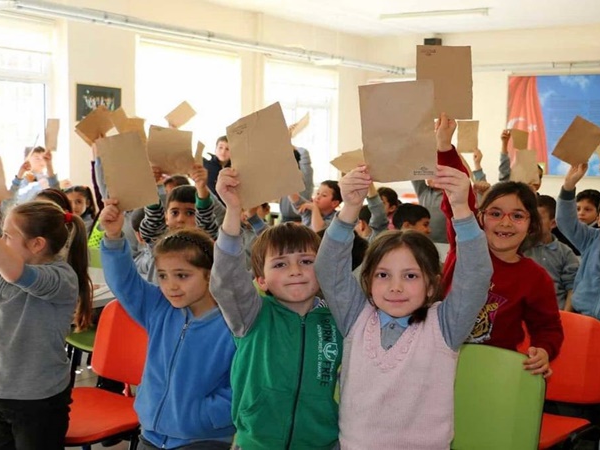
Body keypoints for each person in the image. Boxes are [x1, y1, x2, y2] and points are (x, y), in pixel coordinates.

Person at [315, 161, 492, 449]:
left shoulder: (445, 326)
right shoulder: (355, 317)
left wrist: (462, 208)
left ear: (433, 285)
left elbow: (476, 275)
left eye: (410, 276)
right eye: (383, 275)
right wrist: (349, 208)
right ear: (368, 280)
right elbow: (329, 269)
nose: (395, 287)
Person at [209, 168, 343, 450]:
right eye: (280, 264)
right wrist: (233, 210)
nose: (295, 270)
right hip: (256, 442)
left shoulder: (336, 320)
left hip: (321, 443)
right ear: (261, 280)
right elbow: (226, 278)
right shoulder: (251, 315)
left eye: (306, 261)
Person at [99, 200, 235, 449]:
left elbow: (243, 387)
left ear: (209, 274)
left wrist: (205, 414)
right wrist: (113, 235)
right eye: (162, 276)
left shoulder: (233, 324)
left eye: (182, 275)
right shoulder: (159, 306)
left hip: (203, 438)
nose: (170, 286)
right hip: (151, 433)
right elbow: (124, 282)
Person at [436, 114, 562, 377]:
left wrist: (543, 350)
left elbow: (548, 328)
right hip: (439, 362)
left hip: (491, 373)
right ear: (479, 217)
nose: (505, 223)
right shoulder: (465, 248)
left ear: (531, 224)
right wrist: (445, 147)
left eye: (517, 216)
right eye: (495, 213)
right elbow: (458, 197)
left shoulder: (535, 278)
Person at [0, 201, 91, 449]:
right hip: (0, 392)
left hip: (39, 401)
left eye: (7, 236)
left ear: (37, 244)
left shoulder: (61, 277)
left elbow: (16, 272)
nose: (3, 241)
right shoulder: (10, 271)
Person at [557, 162, 600, 330]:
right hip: (581, 317)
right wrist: (568, 186)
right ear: (599, 218)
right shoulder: (590, 238)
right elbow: (565, 220)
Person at [139, 165, 219, 244]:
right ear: (166, 217)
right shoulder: (161, 239)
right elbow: (153, 220)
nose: (180, 219)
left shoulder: (203, 241)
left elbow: (205, 218)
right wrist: (150, 185)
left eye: (190, 213)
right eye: (174, 213)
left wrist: (201, 187)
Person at [524, 195, 579, 311]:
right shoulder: (519, 247)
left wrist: (566, 316)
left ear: (553, 223)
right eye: (528, 217)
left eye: (537, 218)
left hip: (555, 312)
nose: (531, 223)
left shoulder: (565, 252)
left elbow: (572, 288)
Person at [204, 136, 231, 203]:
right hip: (209, 203)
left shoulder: (235, 167)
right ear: (215, 149)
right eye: (220, 147)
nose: (223, 152)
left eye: (227, 149)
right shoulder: (205, 163)